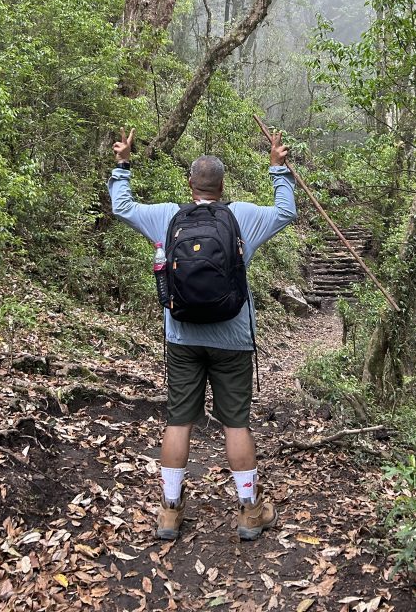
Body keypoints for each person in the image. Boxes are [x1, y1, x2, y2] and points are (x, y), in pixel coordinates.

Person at [108, 127, 297, 542]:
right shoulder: (243, 216)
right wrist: (277, 169)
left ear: (189, 184)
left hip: (182, 337)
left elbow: (121, 206)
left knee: (179, 420)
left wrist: (123, 162)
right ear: (223, 186)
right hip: (232, 341)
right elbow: (287, 212)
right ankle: (249, 512)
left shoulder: (167, 217)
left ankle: (170, 512)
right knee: (235, 424)